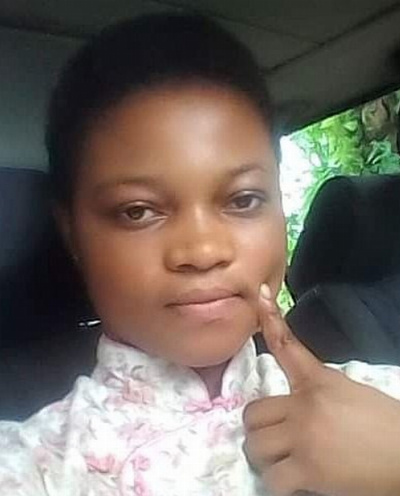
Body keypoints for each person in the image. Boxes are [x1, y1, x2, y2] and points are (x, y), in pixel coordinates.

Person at [1, 13, 400, 496]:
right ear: (72, 233)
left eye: (243, 200)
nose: (204, 250)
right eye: (138, 211)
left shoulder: (381, 403)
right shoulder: (31, 467)